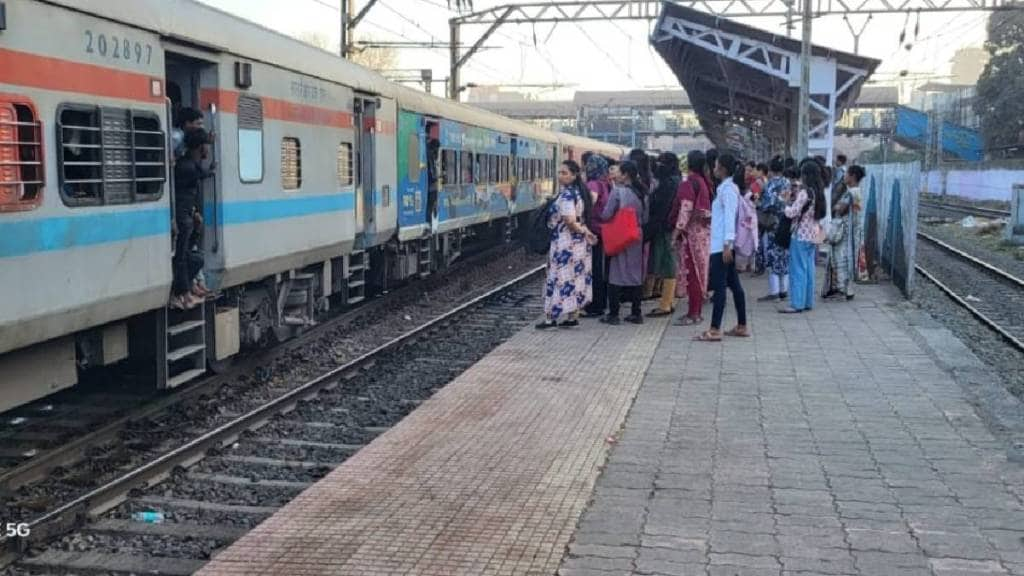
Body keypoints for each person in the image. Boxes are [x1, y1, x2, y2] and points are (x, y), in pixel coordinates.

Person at [695, 153, 749, 341]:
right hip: (723, 244)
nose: (714, 169)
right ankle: (741, 325)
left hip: (722, 247)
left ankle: (715, 329)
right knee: (734, 285)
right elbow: (724, 216)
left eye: (716, 166)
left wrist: (727, 245)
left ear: (723, 169)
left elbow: (729, 218)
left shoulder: (728, 190)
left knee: (720, 288)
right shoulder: (727, 189)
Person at [537, 160, 596, 329]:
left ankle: (550, 318)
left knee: (557, 278)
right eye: (560, 172)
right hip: (578, 244)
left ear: (574, 175)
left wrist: (582, 231)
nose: (560, 176)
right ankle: (572, 316)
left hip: (565, 243)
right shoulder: (580, 193)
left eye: (564, 173)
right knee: (576, 279)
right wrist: (585, 232)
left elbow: (569, 220)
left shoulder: (568, 195)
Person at [601, 160, 648, 325]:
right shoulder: (642, 192)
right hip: (637, 234)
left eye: (619, 172)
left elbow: (606, 215)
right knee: (635, 274)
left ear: (626, 175)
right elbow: (646, 217)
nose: (616, 175)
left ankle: (613, 314)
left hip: (621, 234)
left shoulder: (618, 192)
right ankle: (637, 312)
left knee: (616, 273)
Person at [172, 128, 214, 310]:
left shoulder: (188, 164)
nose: (208, 150)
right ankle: (182, 293)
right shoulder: (187, 167)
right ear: (200, 147)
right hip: (182, 217)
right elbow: (202, 173)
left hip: (187, 214)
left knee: (188, 255)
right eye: (206, 145)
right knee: (182, 257)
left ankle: (187, 289)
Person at [780, 159, 827, 314]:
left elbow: (792, 212)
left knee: (797, 270)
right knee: (809, 270)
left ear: (805, 175)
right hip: (814, 235)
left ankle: (796, 304)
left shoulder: (805, 192)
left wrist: (785, 204)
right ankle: (808, 302)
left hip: (800, 235)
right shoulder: (819, 192)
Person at [673, 150, 712, 325]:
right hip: (704, 233)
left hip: (691, 235)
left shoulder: (690, 182)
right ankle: (696, 311)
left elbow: (685, 209)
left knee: (692, 273)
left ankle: (693, 313)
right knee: (699, 272)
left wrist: (676, 232)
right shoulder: (704, 182)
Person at [646, 152, 681, 317]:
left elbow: (660, 207)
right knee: (668, 263)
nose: (658, 167)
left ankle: (666, 304)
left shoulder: (668, 184)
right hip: (669, 227)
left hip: (666, 228)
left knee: (668, 263)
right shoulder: (676, 180)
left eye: (661, 163)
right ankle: (668, 301)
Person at [823, 164, 864, 301]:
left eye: (846, 174)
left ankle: (841, 291)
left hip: (844, 232)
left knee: (840, 261)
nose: (844, 177)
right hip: (853, 232)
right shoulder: (857, 192)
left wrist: (837, 207)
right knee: (849, 261)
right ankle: (848, 290)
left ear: (852, 176)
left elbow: (840, 209)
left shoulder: (850, 193)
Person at [757, 157, 790, 302]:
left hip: (773, 225)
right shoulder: (787, 183)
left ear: (770, 170)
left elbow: (768, 204)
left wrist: (758, 204)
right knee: (785, 256)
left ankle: (775, 291)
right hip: (787, 223)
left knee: (773, 256)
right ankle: (784, 290)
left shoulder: (770, 185)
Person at [582, 155, 612, 318]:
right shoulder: (605, 184)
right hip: (602, 230)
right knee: (600, 268)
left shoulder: (593, 184)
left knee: (594, 269)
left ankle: (595, 305)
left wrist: (578, 218)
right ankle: (600, 302)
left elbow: (589, 203)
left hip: (593, 231)